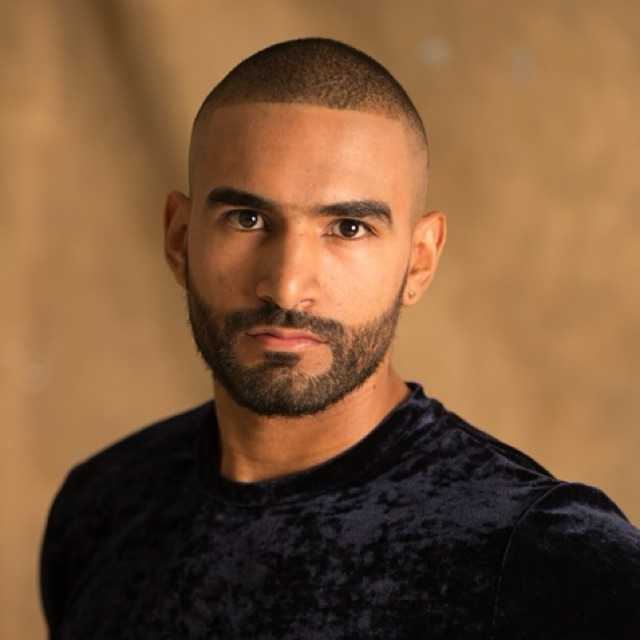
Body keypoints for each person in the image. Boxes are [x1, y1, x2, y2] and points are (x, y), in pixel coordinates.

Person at [39, 37, 640, 639]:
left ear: (419, 262)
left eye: (348, 228)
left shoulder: (547, 556)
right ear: (179, 239)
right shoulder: (103, 505)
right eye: (247, 219)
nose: (286, 287)